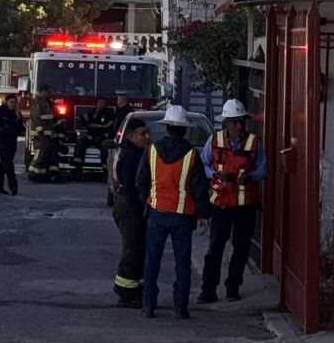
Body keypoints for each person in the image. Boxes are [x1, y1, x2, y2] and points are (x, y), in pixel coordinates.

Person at [135, 104, 210, 319]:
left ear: (166, 127)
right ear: (184, 129)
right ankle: (180, 308)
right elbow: (199, 188)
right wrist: (204, 214)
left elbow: (141, 182)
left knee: (152, 261)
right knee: (182, 263)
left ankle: (148, 305)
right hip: (182, 216)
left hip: (157, 213)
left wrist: (147, 203)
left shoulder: (151, 151)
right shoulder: (191, 155)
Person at [200, 99, 266, 303]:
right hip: (221, 203)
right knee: (215, 247)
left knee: (241, 247)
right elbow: (203, 164)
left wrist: (250, 177)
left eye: (241, 121)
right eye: (235, 122)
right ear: (226, 123)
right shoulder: (214, 140)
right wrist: (215, 175)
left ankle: (233, 287)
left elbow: (263, 169)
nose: (239, 126)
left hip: (245, 205)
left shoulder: (254, 143)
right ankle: (208, 289)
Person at [112, 117, 150, 308]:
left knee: (139, 250)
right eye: (143, 133)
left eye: (147, 133)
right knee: (132, 250)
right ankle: (125, 293)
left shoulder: (137, 153)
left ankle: (136, 290)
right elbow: (132, 188)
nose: (147, 137)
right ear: (131, 135)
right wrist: (140, 211)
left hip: (132, 208)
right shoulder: (130, 156)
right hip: (130, 209)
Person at [0, 94, 24, 195]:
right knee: (8, 164)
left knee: (4, 164)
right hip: (1, 142)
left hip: (12, 142)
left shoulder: (16, 113)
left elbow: (20, 128)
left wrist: (18, 125)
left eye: (14, 102)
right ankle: (13, 186)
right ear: (6, 102)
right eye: (11, 102)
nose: (13, 104)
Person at [26, 84, 62, 181]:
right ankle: (32, 172)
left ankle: (41, 173)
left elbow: (48, 117)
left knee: (44, 153)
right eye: (48, 92)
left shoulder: (45, 102)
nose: (50, 94)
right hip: (40, 133)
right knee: (40, 153)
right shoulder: (38, 102)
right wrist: (40, 131)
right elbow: (36, 117)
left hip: (45, 133)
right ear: (43, 91)